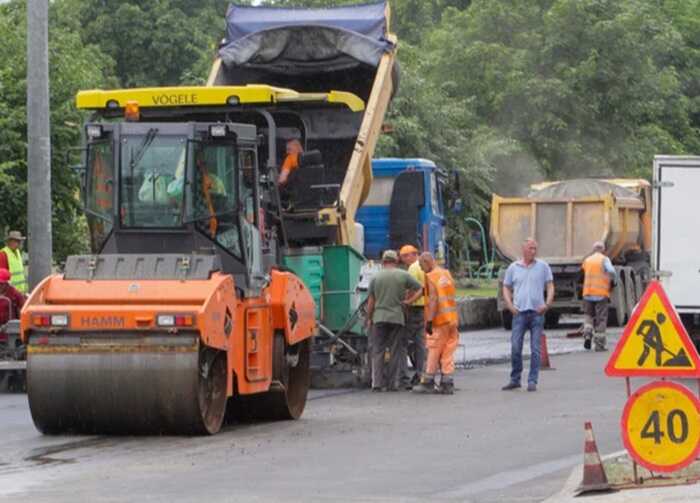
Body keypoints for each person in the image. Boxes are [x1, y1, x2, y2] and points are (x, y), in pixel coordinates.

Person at [366, 249, 423, 391]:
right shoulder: (403, 275)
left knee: (378, 350)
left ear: (384, 262)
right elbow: (421, 289)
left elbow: (371, 301)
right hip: (397, 318)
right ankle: (392, 384)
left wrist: (368, 318)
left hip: (379, 318)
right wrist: (409, 301)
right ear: (396, 261)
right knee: (395, 350)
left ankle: (377, 384)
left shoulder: (375, 277)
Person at [501, 238, 554, 392]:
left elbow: (550, 285)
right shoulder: (513, 267)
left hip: (537, 312)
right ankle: (515, 379)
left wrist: (547, 304)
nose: (533, 251)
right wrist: (509, 305)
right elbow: (506, 287)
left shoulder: (543, 267)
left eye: (535, 248)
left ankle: (532, 380)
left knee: (535, 349)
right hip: (519, 313)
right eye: (531, 248)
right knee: (516, 347)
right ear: (523, 249)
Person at [412, 252, 459, 395]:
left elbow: (433, 300)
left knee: (433, 350)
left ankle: (428, 382)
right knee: (447, 351)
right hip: (452, 320)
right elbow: (425, 292)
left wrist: (429, 321)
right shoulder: (446, 274)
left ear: (427, 262)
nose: (421, 269)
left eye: (421, 265)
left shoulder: (431, 277)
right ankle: (447, 382)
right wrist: (409, 301)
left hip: (439, 321)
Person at [398, 244, 427, 388]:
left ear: (412, 254)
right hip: (425, 309)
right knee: (421, 343)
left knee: (404, 342)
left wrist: (407, 302)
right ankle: (422, 372)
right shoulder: (423, 267)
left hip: (415, 309)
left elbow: (412, 289)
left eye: (404, 256)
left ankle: (404, 375)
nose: (403, 260)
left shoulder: (413, 268)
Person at [581, 241, 616, 352]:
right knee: (601, 318)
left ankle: (587, 334)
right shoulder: (604, 259)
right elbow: (611, 270)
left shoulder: (587, 260)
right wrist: (613, 280)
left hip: (587, 293)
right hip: (601, 294)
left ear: (593, 249)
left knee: (588, 316)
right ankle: (599, 345)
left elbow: (584, 271)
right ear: (603, 249)